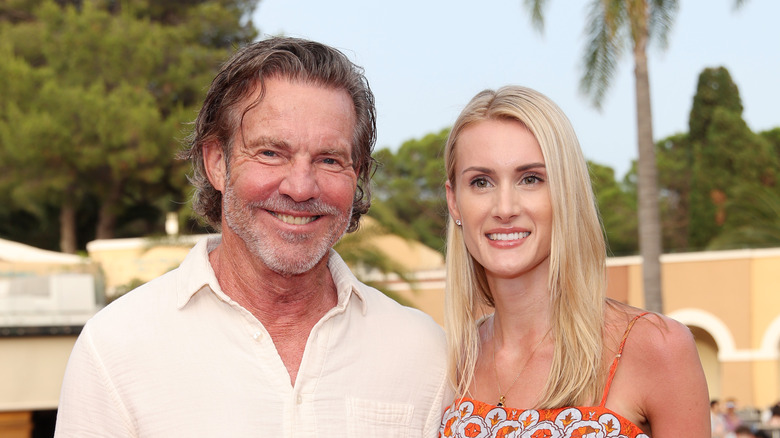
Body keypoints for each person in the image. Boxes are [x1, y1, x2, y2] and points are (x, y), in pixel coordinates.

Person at [55, 37, 450, 437]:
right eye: (270, 153)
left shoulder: (422, 353)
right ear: (217, 163)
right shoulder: (115, 349)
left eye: (329, 159)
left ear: (358, 175)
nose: (300, 187)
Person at [438, 86, 710, 437]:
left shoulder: (655, 347)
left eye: (531, 179)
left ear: (567, 191)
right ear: (454, 202)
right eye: (481, 182)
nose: (504, 208)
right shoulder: (452, 361)